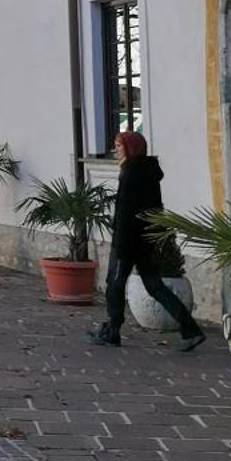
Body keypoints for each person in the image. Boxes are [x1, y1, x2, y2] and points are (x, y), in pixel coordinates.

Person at [88, 131, 205, 352]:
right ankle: (190, 329)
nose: (116, 151)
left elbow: (126, 213)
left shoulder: (131, 172)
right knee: (154, 286)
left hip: (128, 241)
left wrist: (120, 245)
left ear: (131, 149)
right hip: (144, 240)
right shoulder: (146, 171)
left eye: (119, 146)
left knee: (114, 283)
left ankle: (112, 330)